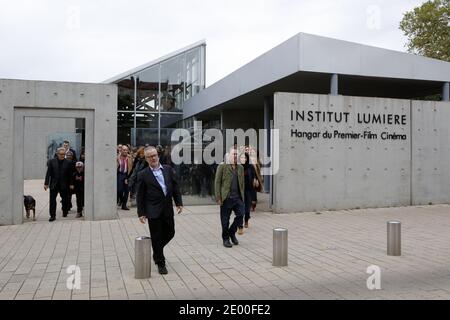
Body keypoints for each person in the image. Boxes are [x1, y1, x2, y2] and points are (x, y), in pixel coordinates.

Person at [137, 146, 183, 275]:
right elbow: (140, 195)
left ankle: (156, 250)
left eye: (154, 155)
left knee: (170, 232)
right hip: (153, 211)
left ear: (158, 155)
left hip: (167, 208)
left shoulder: (168, 169)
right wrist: (141, 213)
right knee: (156, 236)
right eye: (150, 156)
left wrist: (178, 202)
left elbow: (175, 187)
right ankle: (160, 262)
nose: (153, 158)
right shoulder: (143, 174)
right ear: (146, 159)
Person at [214, 147, 245, 248]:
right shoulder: (222, 166)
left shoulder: (240, 168)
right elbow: (217, 182)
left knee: (241, 215)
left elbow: (242, 183)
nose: (235, 156)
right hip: (226, 197)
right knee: (225, 220)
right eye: (233, 154)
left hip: (237, 198)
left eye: (236, 154)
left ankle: (232, 232)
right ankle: (226, 239)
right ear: (229, 155)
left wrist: (242, 197)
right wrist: (218, 197)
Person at [44, 147, 74, 221]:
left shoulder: (68, 162)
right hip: (54, 184)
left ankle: (65, 210)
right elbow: (48, 173)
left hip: (64, 184)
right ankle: (52, 215)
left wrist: (71, 184)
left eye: (64, 154)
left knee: (65, 199)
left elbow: (70, 175)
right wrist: (46, 183)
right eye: (61, 154)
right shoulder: (51, 161)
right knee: (52, 200)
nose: (62, 156)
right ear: (57, 154)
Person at [237, 152, 257, 235]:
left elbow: (255, 176)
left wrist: (255, 180)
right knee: (240, 208)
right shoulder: (237, 167)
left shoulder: (250, 167)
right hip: (239, 190)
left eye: (245, 158)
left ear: (247, 159)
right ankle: (240, 225)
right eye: (242, 158)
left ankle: (246, 220)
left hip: (249, 190)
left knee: (247, 207)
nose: (243, 159)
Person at [117, 145, 133, 210]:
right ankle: (121, 199)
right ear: (121, 150)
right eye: (123, 150)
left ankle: (124, 205)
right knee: (119, 190)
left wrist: (127, 177)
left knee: (127, 191)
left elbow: (131, 168)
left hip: (127, 175)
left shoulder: (129, 157)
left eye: (126, 150)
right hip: (119, 174)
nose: (125, 151)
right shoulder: (117, 157)